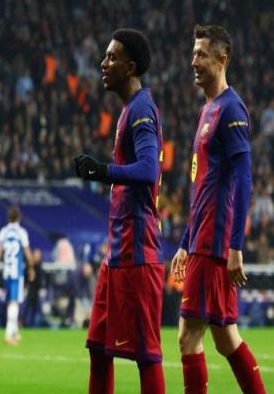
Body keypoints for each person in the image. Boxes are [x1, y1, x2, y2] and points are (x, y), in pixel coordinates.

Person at [171, 25, 266, 394]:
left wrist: (235, 246)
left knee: (187, 337)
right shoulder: (208, 109)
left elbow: (244, 179)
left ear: (222, 60)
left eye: (201, 55)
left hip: (215, 244)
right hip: (202, 241)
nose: (193, 61)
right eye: (193, 54)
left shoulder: (231, 109)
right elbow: (202, 188)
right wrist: (185, 242)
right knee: (226, 339)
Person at [74, 28, 165, 394]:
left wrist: (103, 171)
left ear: (130, 67)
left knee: (147, 356)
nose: (103, 63)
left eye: (112, 57)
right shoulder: (130, 109)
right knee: (98, 349)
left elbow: (149, 170)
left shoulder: (142, 108)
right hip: (116, 253)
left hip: (138, 253)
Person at [0, 206, 34, 345]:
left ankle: (15, 332)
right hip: (17, 272)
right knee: (14, 302)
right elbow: (27, 253)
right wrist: (31, 268)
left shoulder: (3, 232)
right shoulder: (21, 232)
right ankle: (8, 334)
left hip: (6, 272)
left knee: (11, 302)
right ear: (19, 217)